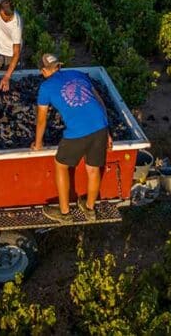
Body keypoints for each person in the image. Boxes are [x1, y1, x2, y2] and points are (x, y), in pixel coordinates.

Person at [32, 54, 111, 223]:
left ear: (44, 70)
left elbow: (41, 119)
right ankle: (89, 209)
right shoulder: (78, 74)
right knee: (93, 169)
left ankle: (65, 213)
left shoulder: (46, 87)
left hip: (78, 131)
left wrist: (38, 143)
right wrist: (107, 131)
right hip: (100, 125)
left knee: (61, 165)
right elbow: (98, 100)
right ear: (58, 66)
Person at [0, 0, 22, 92]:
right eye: (5, 17)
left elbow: (16, 53)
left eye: (9, 17)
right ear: (0, 10)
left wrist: (7, 76)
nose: (7, 19)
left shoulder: (16, 25)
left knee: (10, 80)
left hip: (10, 53)